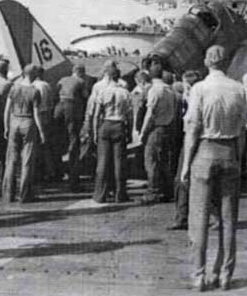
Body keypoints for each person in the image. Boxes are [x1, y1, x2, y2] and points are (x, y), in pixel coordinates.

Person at [180, 45, 247, 291]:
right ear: (226, 61)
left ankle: (199, 275)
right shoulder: (239, 89)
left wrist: (187, 164)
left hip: (205, 151)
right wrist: (238, 159)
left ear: (207, 62)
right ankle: (224, 274)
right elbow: (242, 131)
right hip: (230, 151)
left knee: (199, 217)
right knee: (229, 219)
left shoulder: (199, 89)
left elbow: (193, 130)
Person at [2, 64, 46, 204]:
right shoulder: (35, 91)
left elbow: (7, 109)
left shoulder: (14, 88)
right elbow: (36, 114)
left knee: (11, 160)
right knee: (27, 161)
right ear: (33, 75)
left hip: (14, 121)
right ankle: (25, 195)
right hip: (28, 123)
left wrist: (6, 126)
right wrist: (41, 131)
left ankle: (8, 194)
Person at [92, 68, 133, 203]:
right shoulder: (125, 93)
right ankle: (120, 194)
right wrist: (130, 131)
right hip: (119, 124)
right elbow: (130, 115)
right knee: (119, 162)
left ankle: (100, 195)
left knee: (102, 162)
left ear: (108, 77)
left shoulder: (102, 91)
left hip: (105, 124)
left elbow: (97, 114)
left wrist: (95, 131)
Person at [139, 64, 177, 204]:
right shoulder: (170, 90)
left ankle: (152, 192)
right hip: (167, 128)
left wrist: (143, 131)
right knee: (164, 161)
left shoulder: (154, 90)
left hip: (156, 128)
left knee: (151, 161)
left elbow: (150, 114)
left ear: (150, 74)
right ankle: (167, 190)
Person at [168, 70, 200, 230]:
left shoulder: (193, 101)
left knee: (182, 180)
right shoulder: (189, 100)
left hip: (190, 143)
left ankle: (182, 217)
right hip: (195, 143)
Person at [55, 64, 89, 190]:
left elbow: (57, 91)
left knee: (58, 142)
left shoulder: (62, 79)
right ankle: (73, 180)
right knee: (74, 142)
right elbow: (85, 96)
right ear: (81, 72)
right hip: (72, 109)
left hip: (59, 109)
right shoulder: (81, 81)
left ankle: (57, 172)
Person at [33, 66, 55, 182]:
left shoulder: (29, 85)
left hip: (32, 117)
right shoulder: (45, 85)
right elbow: (51, 103)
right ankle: (49, 172)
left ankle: (36, 172)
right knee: (46, 145)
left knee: (34, 146)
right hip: (44, 115)